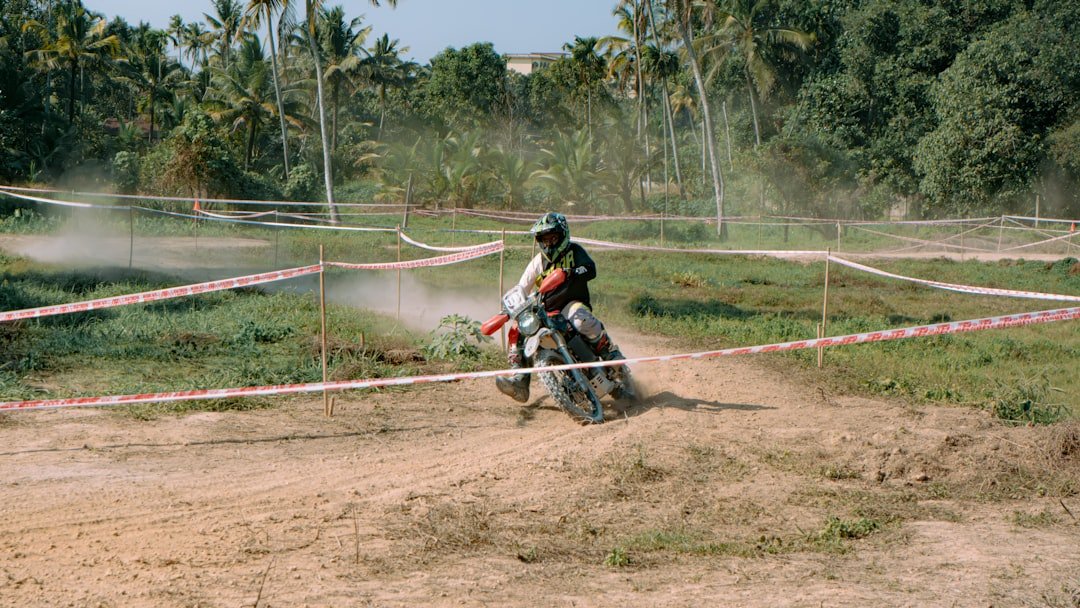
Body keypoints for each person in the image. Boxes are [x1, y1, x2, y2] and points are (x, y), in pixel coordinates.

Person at [495, 212, 622, 402]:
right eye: (544, 239)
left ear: (562, 235)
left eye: (553, 238)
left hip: (572, 303)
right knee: (516, 330)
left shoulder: (574, 251)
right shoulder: (538, 262)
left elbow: (590, 269)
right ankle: (520, 380)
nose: (549, 243)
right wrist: (509, 310)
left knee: (579, 318)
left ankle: (609, 352)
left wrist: (570, 272)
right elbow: (521, 287)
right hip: (547, 310)